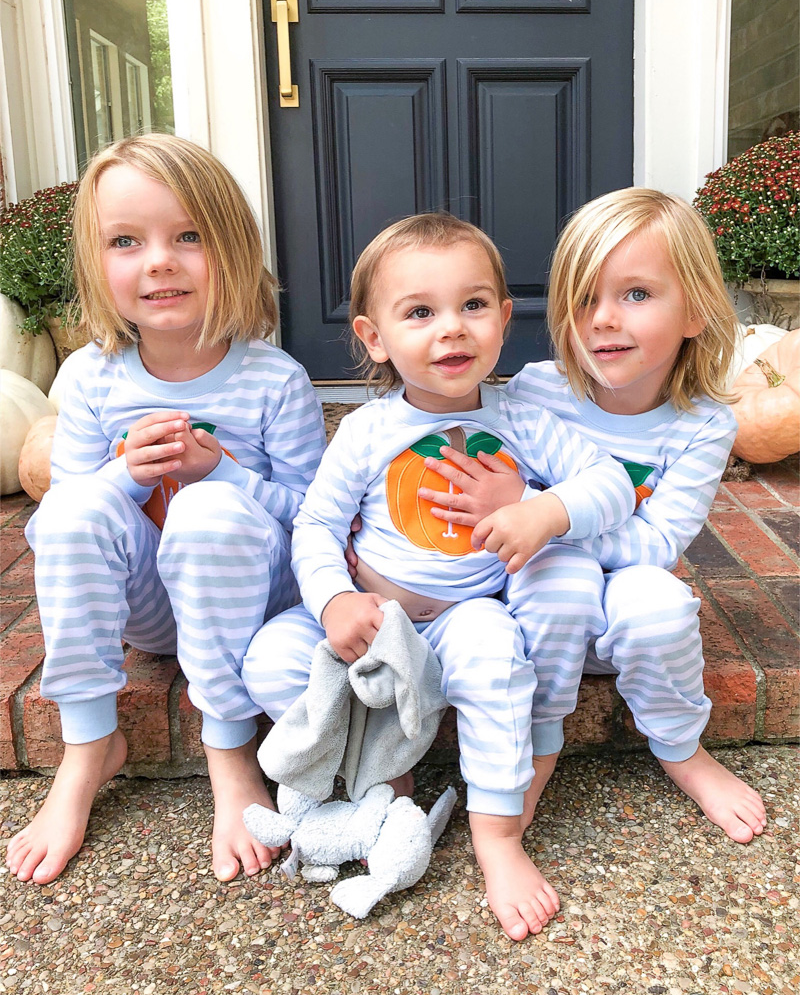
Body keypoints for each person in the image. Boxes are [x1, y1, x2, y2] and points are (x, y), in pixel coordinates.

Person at [242, 212, 636, 941]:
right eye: (420, 312)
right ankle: (377, 780)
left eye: (473, 305)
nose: (451, 328)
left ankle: (497, 835)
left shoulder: (523, 419)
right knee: (268, 659)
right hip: (372, 620)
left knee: (495, 656)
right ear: (373, 337)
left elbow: (610, 483)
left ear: (504, 317)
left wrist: (543, 510)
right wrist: (332, 600)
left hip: (463, 617)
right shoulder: (366, 431)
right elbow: (318, 526)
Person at [5, 133, 326, 887]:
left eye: (189, 236)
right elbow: (65, 526)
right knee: (73, 511)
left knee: (211, 511)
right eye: (126, 240)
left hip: (253, 600)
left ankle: (228, 749)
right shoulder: (92, 380)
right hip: (152, 612)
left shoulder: (274, 381)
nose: (160, 260)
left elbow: (316, 519)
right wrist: (120, 476)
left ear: (234, 250)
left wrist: (226, 474)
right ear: (97, 263)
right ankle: (89, 748)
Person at [418, 188, 768, 848]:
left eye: (636, 294)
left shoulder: (703, 426)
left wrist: (546, 513)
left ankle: (682, 751)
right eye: (584, 298)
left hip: (620, 614)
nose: (603, 319)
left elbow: (657, 542)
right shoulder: (536, 391)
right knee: (557, 575)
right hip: (541, 619)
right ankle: (538, 740)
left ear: (694, 308)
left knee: (660, 603)